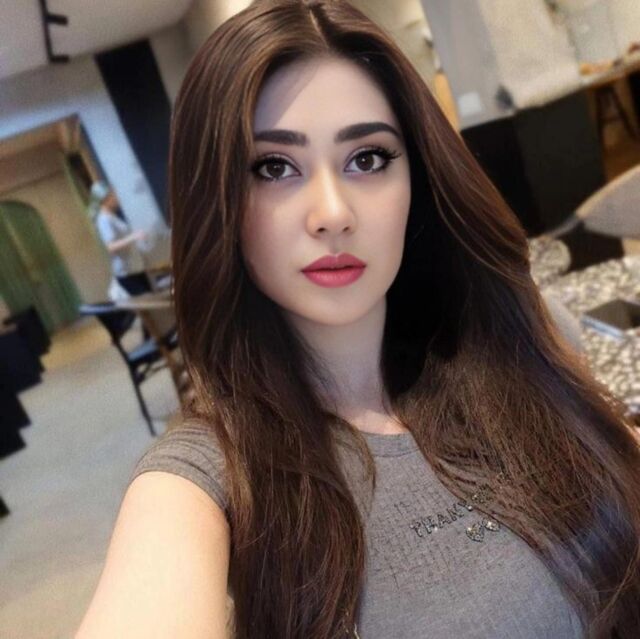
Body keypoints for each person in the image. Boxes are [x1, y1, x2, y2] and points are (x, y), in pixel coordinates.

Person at [75, 2, 640, 637]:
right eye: (273, 167)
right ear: (217, 201)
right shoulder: (211, 477)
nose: (333, 214)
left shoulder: (518, 335)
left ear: (416, 176)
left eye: (367, 158)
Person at [90, 181, 152, 296]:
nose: (116, 198)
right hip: (126, 273)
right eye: (113, 195)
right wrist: (133, 237)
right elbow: (111, 247)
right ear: (106, 199)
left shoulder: (112, 216)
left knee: (151, 296)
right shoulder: (104, 219)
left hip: (133, 268)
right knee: (148, 300)